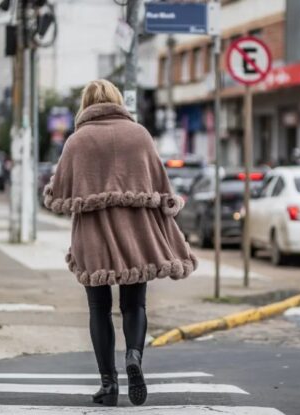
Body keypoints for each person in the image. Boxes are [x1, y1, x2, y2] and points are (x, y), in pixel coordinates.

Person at [44, 79, 197, 407]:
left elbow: (56, 194)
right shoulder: (139, 134)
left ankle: (108, 385)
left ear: (86, 104)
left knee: (99, 307)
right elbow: (162, 187)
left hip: (93, 233)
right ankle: (133, 357)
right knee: (134, 304)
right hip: (136, 232)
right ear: (117, 101)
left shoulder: (77, 140)